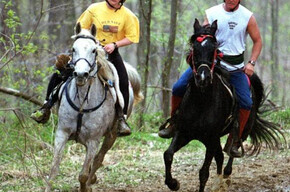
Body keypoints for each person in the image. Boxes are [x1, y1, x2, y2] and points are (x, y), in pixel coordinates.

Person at [158, 0, 262, 157]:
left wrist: (251, 63)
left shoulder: (248, 17)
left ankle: (234, 140)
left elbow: (258, 41)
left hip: (235, 68)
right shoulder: (212, 12)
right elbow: (203, 35)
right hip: (210, 64)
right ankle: (174, 123)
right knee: (178, 87)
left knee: (246, 103)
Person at [31, 0, 140, 137]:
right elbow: (81, 27)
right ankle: (46, 107)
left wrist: (114, 45)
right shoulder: (93, 9)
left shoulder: (128, 15)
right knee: (60, 72)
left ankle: (121, 118)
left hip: (110, 53)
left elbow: (132, 38)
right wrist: (90, 42)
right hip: (88, 50)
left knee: (123, 81)